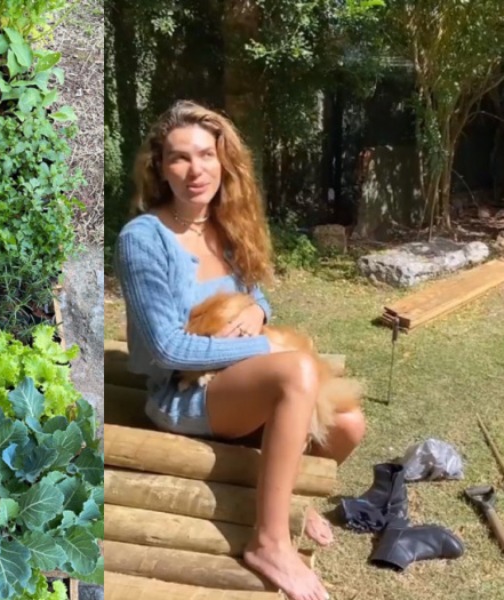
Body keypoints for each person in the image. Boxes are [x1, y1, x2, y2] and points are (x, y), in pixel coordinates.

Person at [113, 100, 366, 600]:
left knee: (349, 426)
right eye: (180, 158)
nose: (195, 170)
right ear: (159, 167)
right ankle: (269, 542)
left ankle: (287, 496)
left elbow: (257, 295)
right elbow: (164, 349)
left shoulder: (226, 224)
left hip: (236, 380)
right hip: (182, 393)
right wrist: (261, 344)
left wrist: (260, 314)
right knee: (294, 371)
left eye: (206, 155)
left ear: (222, 160)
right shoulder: (143, 238)